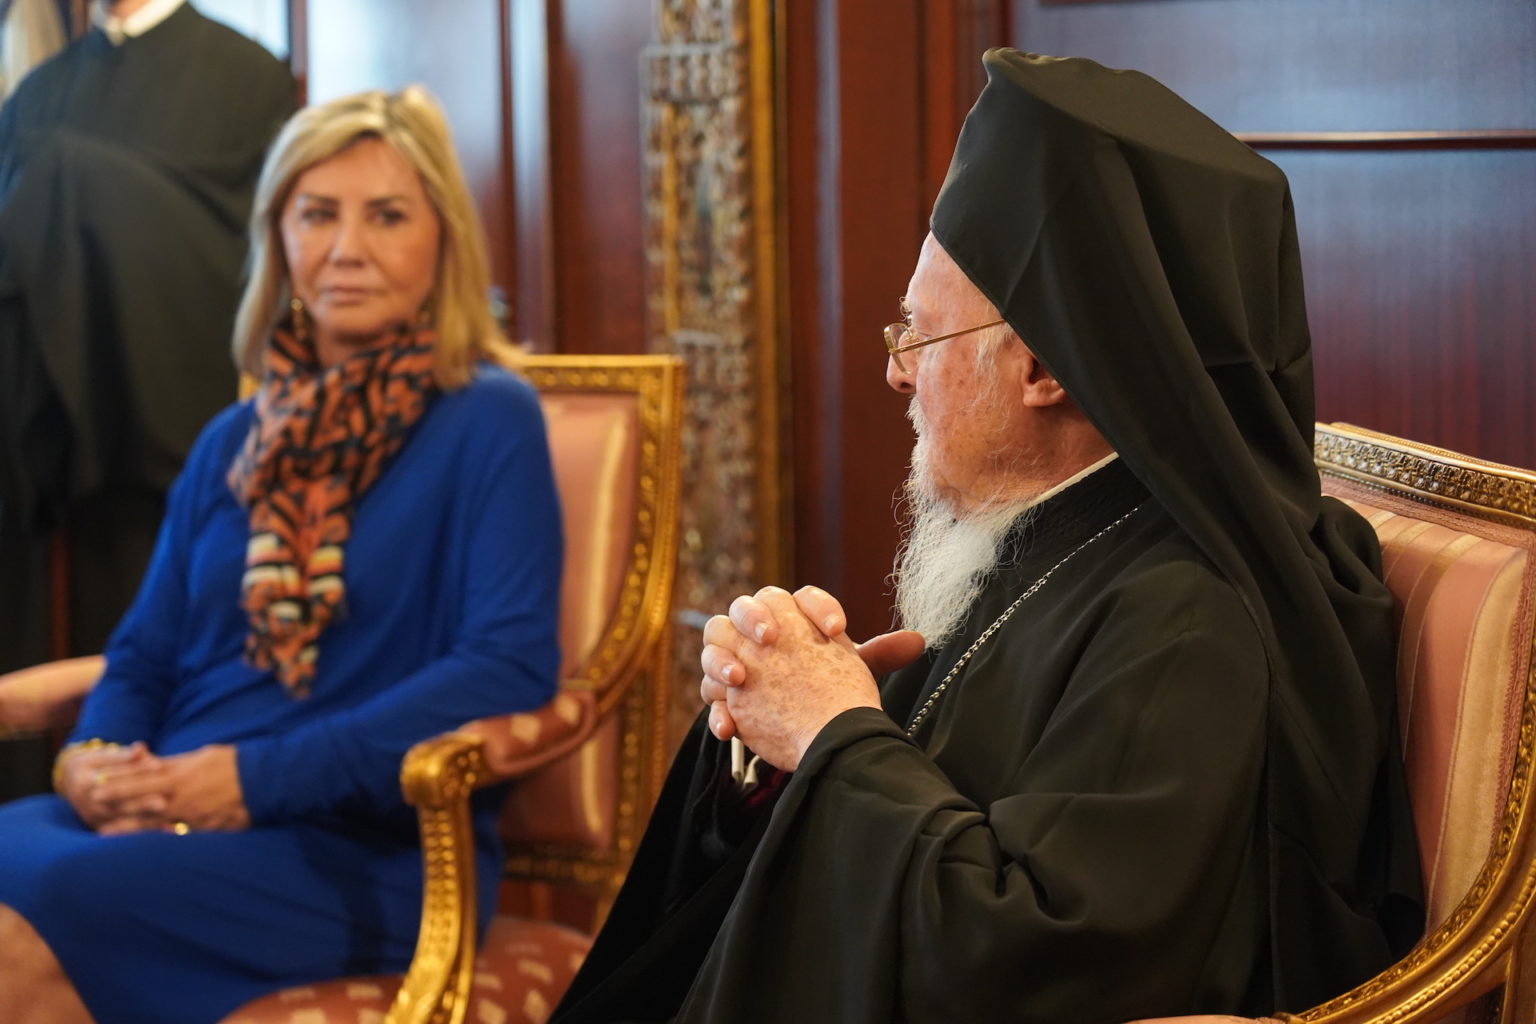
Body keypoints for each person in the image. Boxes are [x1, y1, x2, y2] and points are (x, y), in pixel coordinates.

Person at [552, 50, 1424, 1024]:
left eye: (918, 336)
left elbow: (1030, 957)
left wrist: (837, 737)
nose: (897, 373)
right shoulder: (1046, 540)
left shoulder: (1186, 622)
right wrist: (773, 741)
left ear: (1043, 367)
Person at [0, 86, 564, 1023]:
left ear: (445, 240)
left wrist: (252, 781)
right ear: (279, 237)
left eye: (387, 216)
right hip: (167, 803)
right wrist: (91, 759)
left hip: (362, 847)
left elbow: (505, 668)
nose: (347, 248)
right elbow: (144, 653)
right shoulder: (234, 438)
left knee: (38, 920)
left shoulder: (489, 417)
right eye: (317, 214)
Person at [0, 0, 295, 682]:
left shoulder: (248, 77)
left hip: (159, 431)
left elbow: (249, 254)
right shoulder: (38, 93)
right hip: (42, 444)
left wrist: (75, 185)